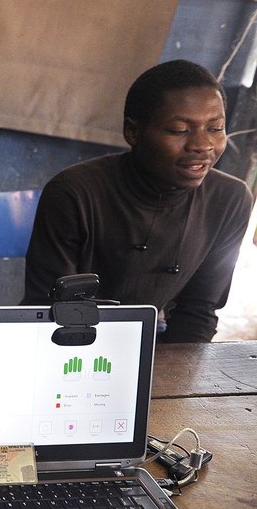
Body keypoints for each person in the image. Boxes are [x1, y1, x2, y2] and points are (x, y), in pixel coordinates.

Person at [22, 59, 253, 342]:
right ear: (133, 132)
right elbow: (52, 309)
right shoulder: (74, 193)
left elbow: (198, 312)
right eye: (180, 130)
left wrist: (171, 378)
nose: (203, 145)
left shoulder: (230, 200)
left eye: (215, 128)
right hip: (64, 335)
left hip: (151, 336)